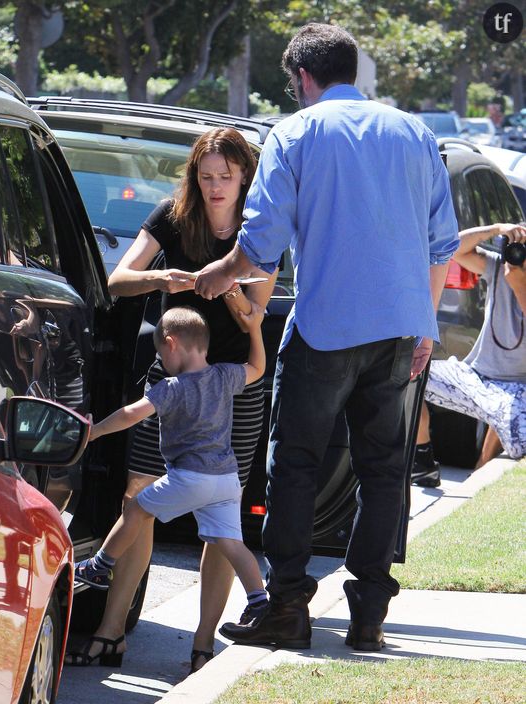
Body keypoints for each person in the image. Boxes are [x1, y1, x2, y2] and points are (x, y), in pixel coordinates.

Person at [195, 23, 459, 652]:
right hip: (399, 330)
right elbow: (442, 244)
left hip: (324, 330)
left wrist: (215, 275)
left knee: (295, 467)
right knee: (385, 472)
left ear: (303, 79)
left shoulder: (295, 133)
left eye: (294, 86)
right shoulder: (416, 133)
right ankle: (369, 614)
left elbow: (259, 244)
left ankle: (287, 606)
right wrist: (424, 324)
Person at [67, 127, 280, 671]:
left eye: (225, 178)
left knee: (221, 516)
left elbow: (257, 315)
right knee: (137, 497)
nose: (214, 188)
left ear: (244, 179)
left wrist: (227, 286)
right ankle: (112, 630)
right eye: (206, 177)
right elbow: (118, 280)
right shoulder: (170, 215)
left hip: (234, 383)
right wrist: (166, 277)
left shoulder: (261, 228)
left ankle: (204, 640)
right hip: (170, 377)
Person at [74, 305, 269, 663]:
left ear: (171, 343)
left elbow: (132, 413)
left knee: (135, 508)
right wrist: (255, 329)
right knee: (232, 544)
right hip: (227, 479)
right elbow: (258, 368)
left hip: (190, 476)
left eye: (160, 353)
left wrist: (95, 431)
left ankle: (99, 566)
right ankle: (258, 600)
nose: (160, 359)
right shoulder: (225, 375)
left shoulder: (170, 388)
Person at [413, 222, 526, 487]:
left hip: (516, 388)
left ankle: (483, 467)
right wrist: (496, 228)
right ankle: (422, 460)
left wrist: (519, 285)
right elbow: (453, 249)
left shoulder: (512, 276)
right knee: (410, 373)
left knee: (520, 440)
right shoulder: (499, 266)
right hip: (475, 377)